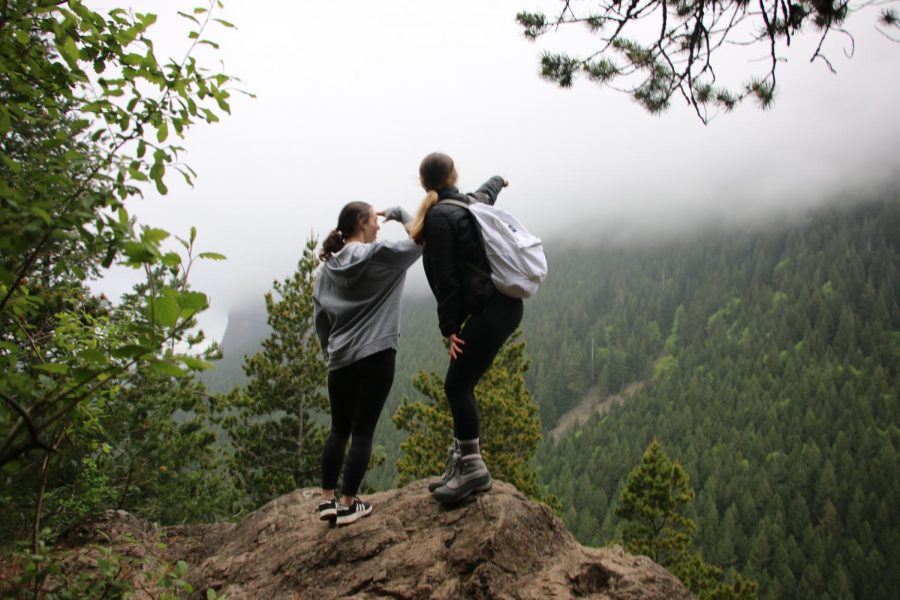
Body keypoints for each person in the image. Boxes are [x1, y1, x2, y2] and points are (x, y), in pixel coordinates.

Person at [408, 152, 522, 504]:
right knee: (459, 383)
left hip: (491, 310)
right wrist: (499, 179)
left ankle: (472, 468)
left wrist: (450, 328)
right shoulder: (467, 204)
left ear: (424, 183)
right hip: (503, 306)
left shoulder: (440, 216)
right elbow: (487, 192)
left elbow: (446, 278)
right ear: (453, 176)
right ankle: (462, 463)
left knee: (457, 384)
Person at [314, 201, 421, 525]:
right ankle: (349, 504)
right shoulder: (381, 255)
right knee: (362, 431)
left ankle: (327, 501)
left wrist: (330, 351)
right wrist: (401, 215)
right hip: (377, 353)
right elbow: (423, 238)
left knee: (339, 429)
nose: (378, 225)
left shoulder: (326, 270)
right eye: (375, 220)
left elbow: (321, 319)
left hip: (341, 358)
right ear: (362, 222)